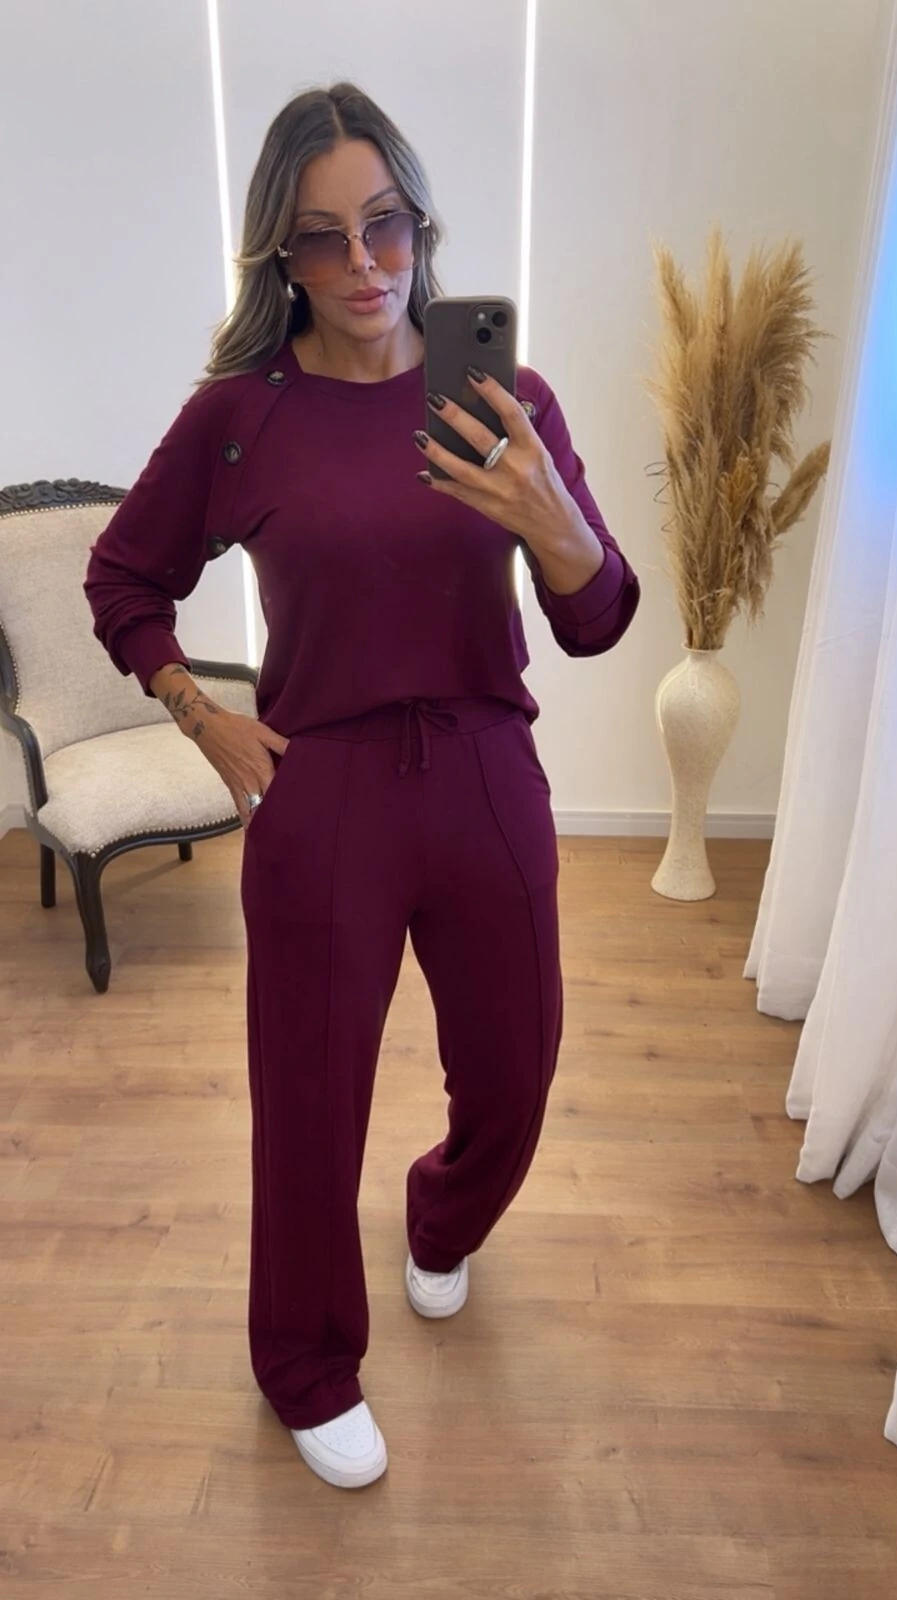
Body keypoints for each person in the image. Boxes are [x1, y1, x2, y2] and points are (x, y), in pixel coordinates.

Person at [83, 81, 640, 1490]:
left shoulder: (507, 402)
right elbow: (124, 577)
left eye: (384, 224)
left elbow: (598, 618)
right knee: (309, 1100)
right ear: (282, 256)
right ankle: (305, 1361)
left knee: (515, 1072)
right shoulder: (239, 417)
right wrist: (204, 717)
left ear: (420, 224)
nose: (363, 265)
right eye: (322, 238)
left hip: (485, 764)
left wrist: (554, 520)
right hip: (321, 786)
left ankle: (441, 1216)